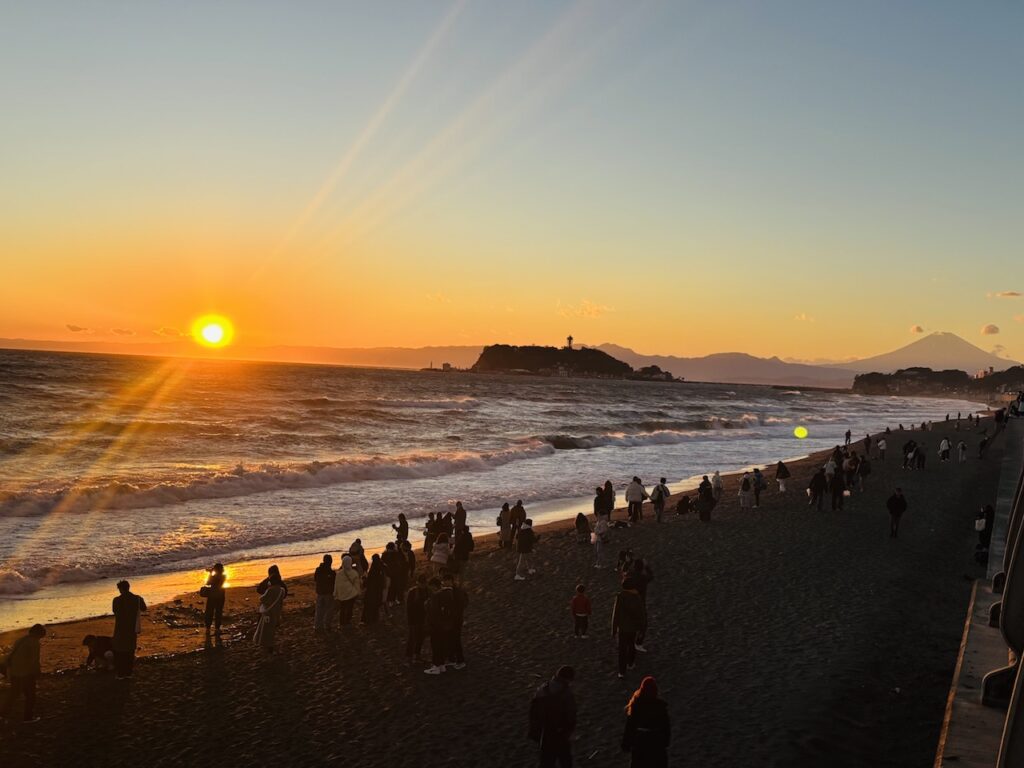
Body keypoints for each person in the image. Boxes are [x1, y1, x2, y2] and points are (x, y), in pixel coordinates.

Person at [529, 666, 577, 768]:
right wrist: (569, 730)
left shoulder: (542, 689)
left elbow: (533, 711)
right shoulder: (567, 693)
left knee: (546, 761)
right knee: (565, 761)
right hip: (561, 732)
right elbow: (571, 715)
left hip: (545, 731)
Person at [622, 676, 671, 768]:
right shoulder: (660, 706)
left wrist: (626, 744)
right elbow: (666, 727)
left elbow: (630, 726)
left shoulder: (636, 704)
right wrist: (665, 742)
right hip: (657, 744)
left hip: (640, 743)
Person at [1, 623, 45, 723]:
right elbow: (34, 661)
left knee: (13, 694)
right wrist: (38, 673)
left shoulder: (20, 640)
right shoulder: (34, 643)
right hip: (26, 673)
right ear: (39, 634)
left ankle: (3, 715)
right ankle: (28, 718)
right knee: (30, 696)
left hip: (15, 672)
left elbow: (11, 655)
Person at [112, 580, 147, 678]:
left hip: (120, 628)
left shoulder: (116, 600)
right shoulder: (138, 599)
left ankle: (121, 673)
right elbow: (144, 608)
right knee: (130, 650)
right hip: (132, 628)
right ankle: (128, 672)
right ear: (128, 587)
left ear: (120, 589)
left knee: (119, 651)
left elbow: (115, 611)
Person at [612, 580, 645, 678]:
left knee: (622, 649)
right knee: (631, 645)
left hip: (622, 627)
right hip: (633, 627)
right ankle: (630, 663)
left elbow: (616, 613)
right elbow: (641, 614)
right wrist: (642, 628)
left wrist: (613, 628)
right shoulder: (637, 597)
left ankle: (621, 672)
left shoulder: (620, 597)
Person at [253, 566, 286, 654]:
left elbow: (259, 591)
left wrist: (268, 587)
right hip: (277, 610)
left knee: (265, 628)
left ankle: (267, 645)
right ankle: (273, 645)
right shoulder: (281, 585)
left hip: (268, 610)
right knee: (274, 627)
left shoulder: (270, 583)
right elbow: (284, 593)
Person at [423, 577, 452, 675]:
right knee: (442, 645)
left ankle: (436, 666)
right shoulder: (448, 594)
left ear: (434, 586)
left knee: (436, 645)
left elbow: (433, 611)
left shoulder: (436, 596)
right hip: (446, 624)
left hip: (436, 625)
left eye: (431, 587)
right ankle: (441, 665)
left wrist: (426, 604)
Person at [442, 572, 468, 669]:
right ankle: (452, 659)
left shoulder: (456, 591)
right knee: (450, 639)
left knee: (456, 640)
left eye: (446, 581)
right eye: (444, 581)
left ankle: (460, 661)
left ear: (451, 581)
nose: (445, 583)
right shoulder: (448, 591)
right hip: (451, 620)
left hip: (456, 620)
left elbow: (461, 604)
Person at [405, 574, 430, 663]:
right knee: (412, 638)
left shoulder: (427, 591)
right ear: (418, 583)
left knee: (420, 638)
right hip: (414, 619)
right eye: (422, 583)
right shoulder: (413, 592)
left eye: (424, 583)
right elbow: (409, 608)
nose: (423, 585)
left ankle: (417, 655)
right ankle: (409, 656)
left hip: (423, 619)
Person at [333, 554, 361, 627]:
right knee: (350, 608)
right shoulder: (354, 573)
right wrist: (358, 592)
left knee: (343, 609)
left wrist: (335, 594)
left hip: (342, 595)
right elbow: (357, 585)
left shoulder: (339, 573)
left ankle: (342, 622)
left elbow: (336, 585)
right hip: (351, 594)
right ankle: (348, 621)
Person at [313, 555, 336, 634]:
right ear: (330, 562)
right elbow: (334, 582)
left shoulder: (318, 570)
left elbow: (315, 579)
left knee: (319, 610)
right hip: (328, 593)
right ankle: (327, 625)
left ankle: (317, 626)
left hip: (320, 592)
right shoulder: (331, 572)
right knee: (329, 610)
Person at [202, 563, 226, 635]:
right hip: (221, 595)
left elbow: (208, 583)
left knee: (209, 612)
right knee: (218, 612)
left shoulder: (214, 577)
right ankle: (217, 628)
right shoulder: (223, 576)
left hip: (212, 595)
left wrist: (210, 573)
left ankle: (208, 628)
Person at [361, 554, 386, 624]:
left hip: (372, 590)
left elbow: (369, 581)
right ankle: (375, 619)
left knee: (369, 605)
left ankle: (368, 620)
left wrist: (364, 580)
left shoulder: (373, 569)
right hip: (379, 589)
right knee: (376, 605)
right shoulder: (382, 567)